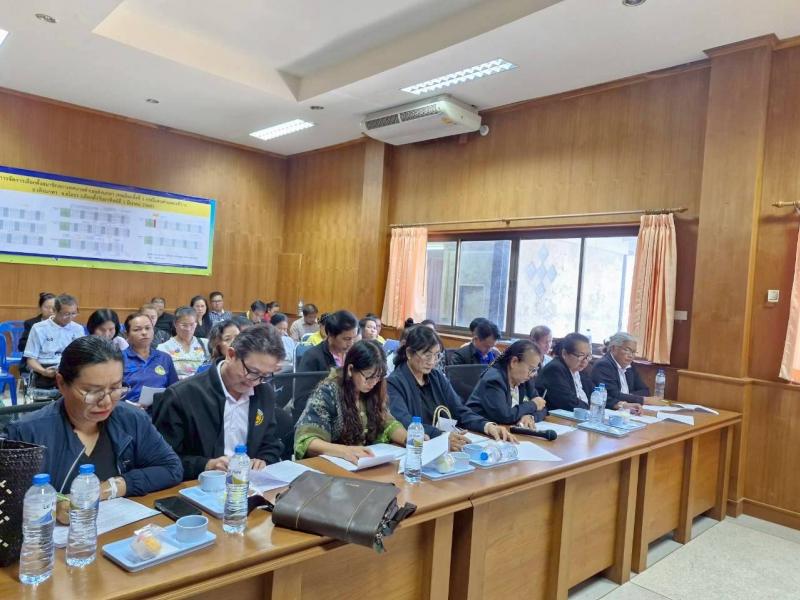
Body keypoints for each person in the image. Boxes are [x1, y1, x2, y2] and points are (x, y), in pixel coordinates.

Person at [5, 336, 182, 498]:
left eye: (115, 388)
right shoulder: (25, 435)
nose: (106, 402)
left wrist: (112, 488)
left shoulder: (132, 419)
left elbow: (172, 468)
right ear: (61, 383)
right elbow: (9, 502)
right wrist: (52, 508)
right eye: (92, 391)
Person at [153, 324, 285, 480]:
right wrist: (206, 465)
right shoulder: (183, 396)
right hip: (198, 484)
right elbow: (161, 459)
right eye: (252, 371)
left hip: (248, 483)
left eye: (265, 375)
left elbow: (270, 442)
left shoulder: (264, 392)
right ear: (231, 355)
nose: (254, 381)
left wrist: (263, 460)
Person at [387, 325, 513, 451]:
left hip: (446, 446)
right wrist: (441, 436)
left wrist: (486, 425)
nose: (432, 361)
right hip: (416, 449)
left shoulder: (436, 376)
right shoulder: (394, 382)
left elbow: (459, 410)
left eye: (437, 355)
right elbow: (404, 422)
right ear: (409, 353)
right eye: (427, 355)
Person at [294, 341, 406, 462]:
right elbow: (307, 441)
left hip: (365, 463)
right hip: (333, 465)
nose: (373, 382)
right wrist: (345, 451)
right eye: (368, 376)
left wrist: (409, 440)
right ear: (350, 369)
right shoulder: (328, 391)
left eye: (378, 377)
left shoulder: (375, 390)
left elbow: (388, 423)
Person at [466, 340, 547, 426]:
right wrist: (533, 405)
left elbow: (542, 406)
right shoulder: (494, 380)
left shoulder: (524, 380)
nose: (533, 374)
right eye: (531, 369)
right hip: (480, 429)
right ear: (514, 362)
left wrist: (531, 417)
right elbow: (504, 416)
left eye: (535, 370)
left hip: (506, 429)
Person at [23, 293, 85, 389]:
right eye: (66, 314)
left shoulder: (78, 329)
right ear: (54, 311)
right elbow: (31, 360)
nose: (70, 318)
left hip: (68, 369)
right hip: (44, 369)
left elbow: (81, 356)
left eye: (73, 313)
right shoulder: (39, 328)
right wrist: (44, 372)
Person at [590, 332, 660, 413]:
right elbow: (613, 394)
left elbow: (645, 390)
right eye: (627, 350)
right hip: (609, 411)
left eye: (634, 352)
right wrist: (643, 400)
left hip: (628, 409)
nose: (631, 355)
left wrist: (627, 396)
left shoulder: (630, 365)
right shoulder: (604, 365)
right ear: (613, 348)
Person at [122, 312, 178, 404]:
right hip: (129, 409)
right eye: (137, 329)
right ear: (127, 334)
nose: (144, 332)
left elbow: (174, 389)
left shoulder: (165, 358)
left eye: (148, 328)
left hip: (161, 409)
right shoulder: (119, 359)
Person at [535, 333, 594, 411]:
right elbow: (568, 403)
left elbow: (594, 394)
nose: (585, 361)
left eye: (588, 356)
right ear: (564, 353)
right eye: (581, 355)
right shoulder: (555, 369)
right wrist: (592, 409)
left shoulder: (580, 370)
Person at [157, 306, 208, 380]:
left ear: (196, 324)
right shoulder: (164, 348)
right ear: (175, 324)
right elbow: (161, 374)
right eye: (184, 325)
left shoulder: (206, 344)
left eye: (192, 324)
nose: (188, 329)